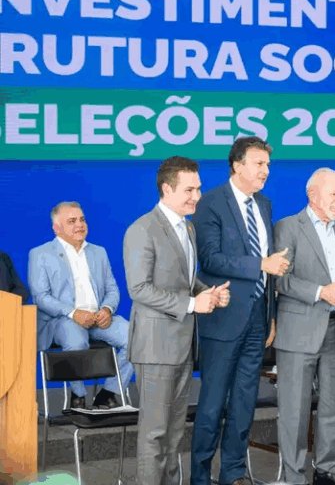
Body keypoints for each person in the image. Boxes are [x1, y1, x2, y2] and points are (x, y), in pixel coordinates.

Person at [124, 156, 230, 485]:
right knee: (154, 434)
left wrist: (208, 293)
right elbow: (139, 288)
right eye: (189, 190)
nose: (197, 196)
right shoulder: (142, 230)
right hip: (156, 348)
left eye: (198, 188)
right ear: (167, 189)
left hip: (183, 345)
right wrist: (193, 303)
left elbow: (185, 279)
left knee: (173, 433)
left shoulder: (188, 227)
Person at [191, 136, 289, 485]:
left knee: (245, 402)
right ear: (237, 165)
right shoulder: (211, 203)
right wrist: (260, 264)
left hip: (257, 319)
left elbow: (272, 267)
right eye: (259, 163)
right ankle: (200, 476)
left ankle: (233, 473)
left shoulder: (264, 204)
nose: (266, 170)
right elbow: (210, 259)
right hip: (223, 317)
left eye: (267, 165)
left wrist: (270, 314)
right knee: (212, 403)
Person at [273, 168, 335, 485]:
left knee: (333, 406)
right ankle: (294, 476)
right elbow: (280, 280)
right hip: (299, 333)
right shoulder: (288, 227)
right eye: (333, 194)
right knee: (294, 411)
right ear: (312, 195)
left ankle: (326, 470)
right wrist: (321, 292)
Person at [29, 201, 133, 410]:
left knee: (136, 338)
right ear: (57, 228)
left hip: (98, 317)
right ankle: (78, 395)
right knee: (75, 340)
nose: (79, 225)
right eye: (72, 221)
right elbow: (41, 297)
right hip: (63, 319)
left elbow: (112, 289)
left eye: (82, 219)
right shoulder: (40, 254)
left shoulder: (98, 252)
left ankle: (109, 393)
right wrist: (73, 313)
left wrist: (107, 309)